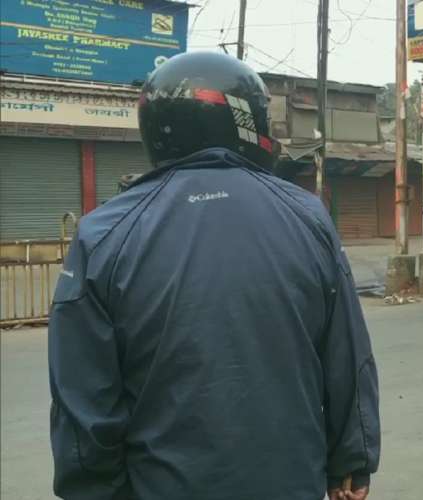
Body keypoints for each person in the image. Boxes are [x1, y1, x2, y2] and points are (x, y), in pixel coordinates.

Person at [48, 52, 380, 500]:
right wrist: (352, 462)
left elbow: (82, 400)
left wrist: (94, 489)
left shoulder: (103, 234)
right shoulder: (307, 217)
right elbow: (347, 355)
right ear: (247, 123)